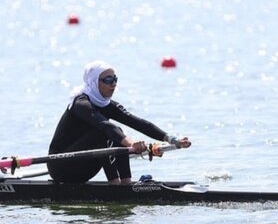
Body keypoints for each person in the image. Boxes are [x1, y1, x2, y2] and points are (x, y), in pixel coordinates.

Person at [47, 60, 191, 184]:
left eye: (115, 79)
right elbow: (105, 125)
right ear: (94, 82)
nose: (114, 84)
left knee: (116, 134)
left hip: (85, 167)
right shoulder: (81, 103)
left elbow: (138, 123)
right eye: (108, 80)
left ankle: (125, 184)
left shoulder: (107, 104)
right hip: (61, 167)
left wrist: (172, 139)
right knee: (106, 133)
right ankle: (116, 186)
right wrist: (131, 144)